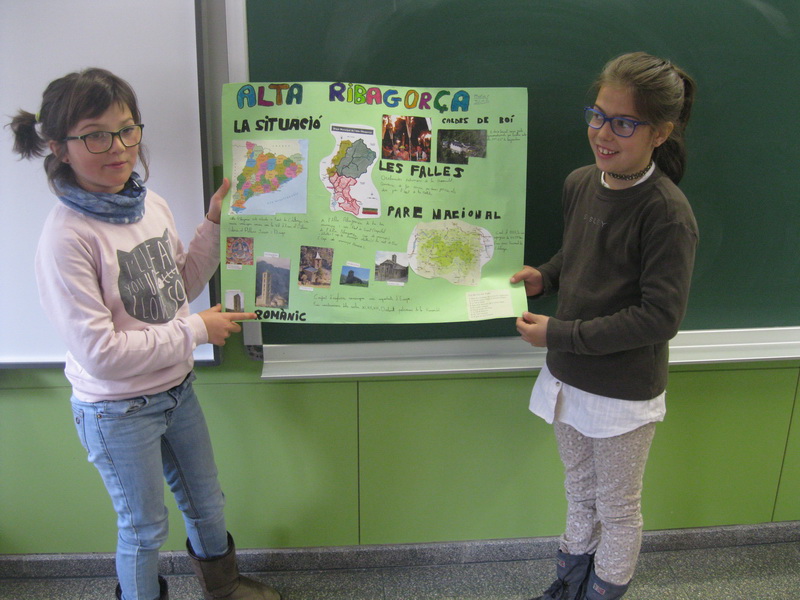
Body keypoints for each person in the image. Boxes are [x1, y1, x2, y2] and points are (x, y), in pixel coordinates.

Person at [9, 68, 281, 600]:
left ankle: (224, 589)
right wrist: (196, 330)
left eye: (127, 129)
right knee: (143, 528)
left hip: (176, 391)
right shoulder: (66, 238)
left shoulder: (148, 203)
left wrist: (214, 225)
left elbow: (177, 288)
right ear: (59, 147)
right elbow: (102, 354)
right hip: (116, 410)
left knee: (207, 503)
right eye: (95, 135)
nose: (118, 147)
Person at [511, 52, 698, 600]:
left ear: (660, 132)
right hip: (568, 377)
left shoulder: (667, 213)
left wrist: (559, 334)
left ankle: (601, 592)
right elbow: (576, 256)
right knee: (580, 494)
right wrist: (545, 277)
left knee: (617, 509)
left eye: (623, 123)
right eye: (597, 115)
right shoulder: (580, 183)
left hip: (621, 392)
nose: (603, 133)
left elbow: (660, 317)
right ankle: (568, 585)